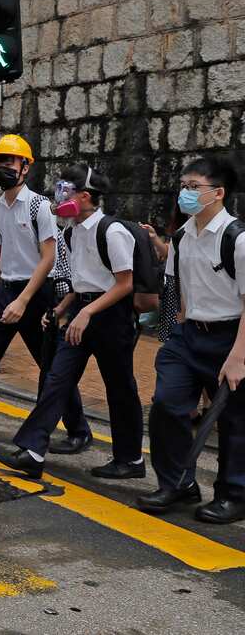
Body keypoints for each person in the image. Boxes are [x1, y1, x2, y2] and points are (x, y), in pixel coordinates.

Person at [0, 134, 92, 453]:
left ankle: (79, 430)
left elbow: (49, 257)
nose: (2, 167)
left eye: (9, 161)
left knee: (50, 367)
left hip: (39, 294)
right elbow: (2, 253)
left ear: (25, 167)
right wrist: (4, 290)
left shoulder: (40, 206)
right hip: (8, 291)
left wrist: (24, 299)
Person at [0, 165, 145, 481]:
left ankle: (130, 459)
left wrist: (87, 313)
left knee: (119, 388)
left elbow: (124, 283)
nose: (59, 196)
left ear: (86, 196)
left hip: (110, 317)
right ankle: (34, 451)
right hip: (81, 313)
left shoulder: (111, 231)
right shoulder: (70, 233)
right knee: (56, 379)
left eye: (66, 191)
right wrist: (63, 308)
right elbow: (83, 282)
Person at [137, 157, 245, 523]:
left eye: (193, 186)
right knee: (167, 404)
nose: (185, 193)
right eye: (183, 185)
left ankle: (234, 494)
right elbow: (176, 287)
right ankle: (178, 483)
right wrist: (175, 333)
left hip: (230, 337)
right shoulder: (182, 237)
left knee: (233, 420)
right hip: (189, 335)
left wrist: (238, 357)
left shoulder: (238, 239)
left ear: (218, 193)